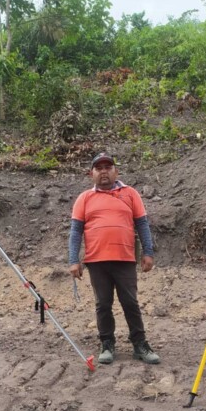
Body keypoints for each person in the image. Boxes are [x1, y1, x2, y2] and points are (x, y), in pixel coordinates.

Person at [69, 152, 160, 365]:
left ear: (116, 171)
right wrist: (74, 260)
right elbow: (75, 232)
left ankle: (140, 344)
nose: (103, 171)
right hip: (96, 260)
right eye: (98, 168)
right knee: (103, 304)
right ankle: (107, 344)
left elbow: (142, 224)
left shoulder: (130, 194)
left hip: (125, 258)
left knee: (130, 302)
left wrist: (148, 252)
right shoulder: (84, 198)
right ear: (91, 173)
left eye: (107, 167)